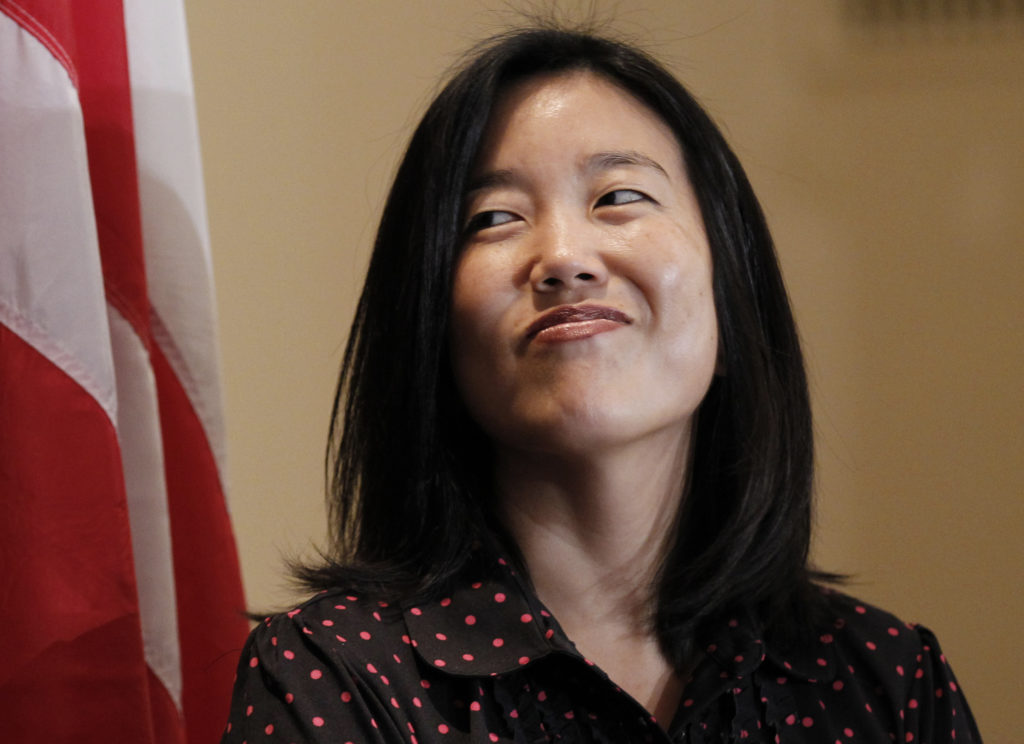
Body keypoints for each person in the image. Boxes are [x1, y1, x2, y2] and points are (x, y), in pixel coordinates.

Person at [221, 26, 982, 743]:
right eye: (493, 217)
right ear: (431, 334)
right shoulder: (336, 678)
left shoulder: (887, 682)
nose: (563, 257)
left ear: (731, 308)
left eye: (619, 197)